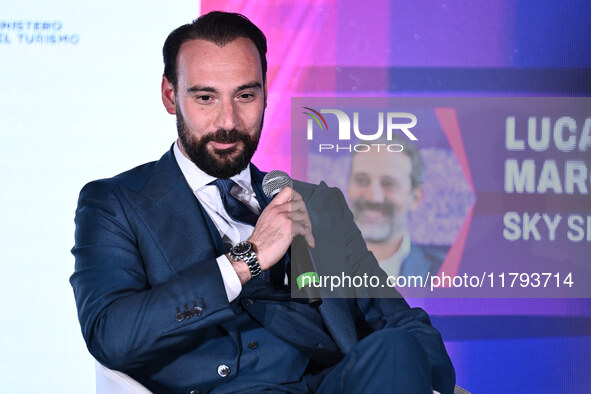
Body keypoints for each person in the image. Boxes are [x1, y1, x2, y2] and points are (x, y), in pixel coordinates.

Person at [70, 11, 455, 394]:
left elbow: (399, 322)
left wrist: (423, 378)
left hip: (332, 383)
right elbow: (110, 334)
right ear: (171, 97)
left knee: (395, 348)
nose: (228, 120)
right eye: (205, 97)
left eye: (245, 95)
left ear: (265, 95)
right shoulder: (114, 203)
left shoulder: (317, 204)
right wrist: (245, 261)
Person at [348, 136, 449, 279]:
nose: (373, 197)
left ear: (415, 198)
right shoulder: (313, 266)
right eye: (361, 181)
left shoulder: (446, 273)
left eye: (389, 184)